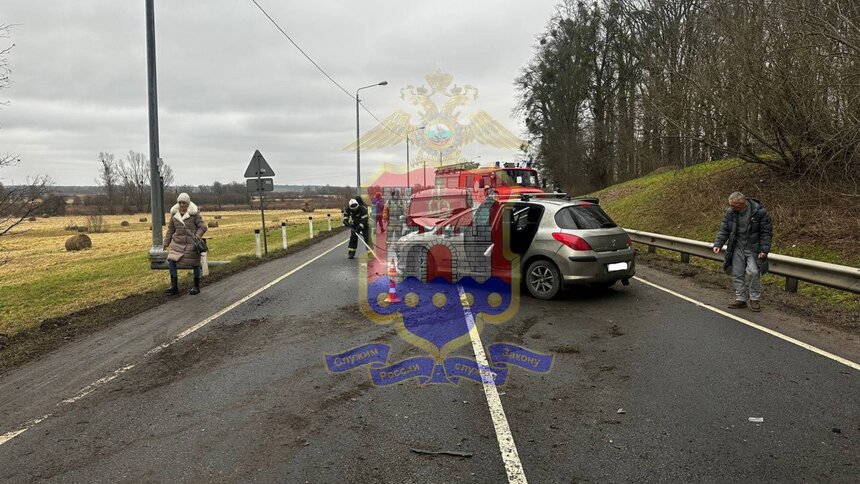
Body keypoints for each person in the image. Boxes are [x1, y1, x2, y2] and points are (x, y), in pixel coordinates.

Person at [712, 191, 772, 312]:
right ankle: (740, 299)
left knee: (754, 272)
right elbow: (724, 229)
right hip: (737, 247)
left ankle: (755, 299)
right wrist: (718, 244)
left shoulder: (759, 212)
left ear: (742, 203)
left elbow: (766, 233)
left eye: (734, 205)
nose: (731, 207)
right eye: (731, 205)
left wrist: (764, 250)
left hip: (753, 248)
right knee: (737, 273)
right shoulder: (731, 212)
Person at [163, 192, 208, 295]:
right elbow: (170, 230)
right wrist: (166, 243)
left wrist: (197, 236)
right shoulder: (174, 215)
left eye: (184, 203)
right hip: (177, 243)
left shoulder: (194, 214)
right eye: (180, 203)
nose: (182, 205)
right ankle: (174, 286)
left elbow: (203, 227)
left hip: (191, 243)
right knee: (171, 261)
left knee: (195, 263)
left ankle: (196, 286)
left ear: (188, 203)